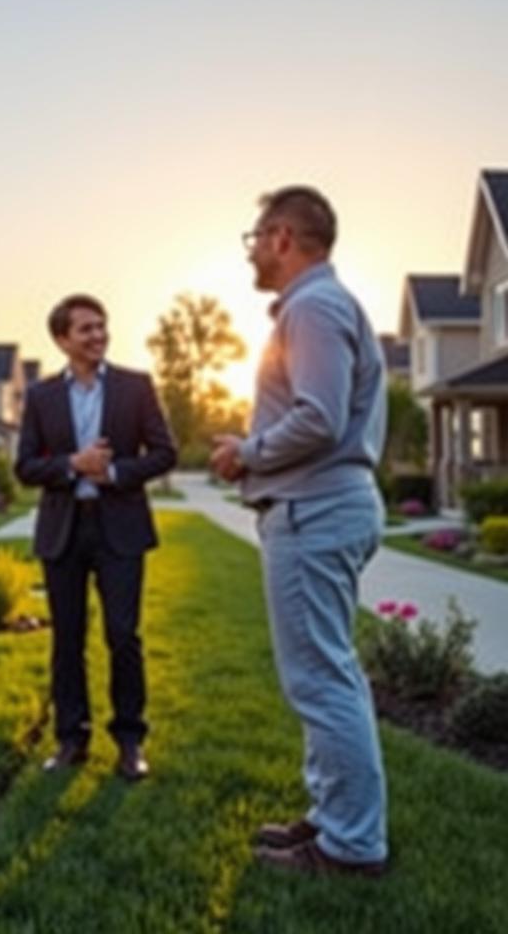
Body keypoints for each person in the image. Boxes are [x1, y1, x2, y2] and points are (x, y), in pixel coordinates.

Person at [210, 186, 389, 876]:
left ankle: (350, 846)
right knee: (322, 674)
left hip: (314, 510)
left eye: (255, 236)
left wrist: (246, 454)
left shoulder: (313, 307)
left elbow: (318, 416)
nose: (251, 249)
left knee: (321, 679)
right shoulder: (320, 307)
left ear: (283, 236)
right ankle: (330, 819)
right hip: (322, 506)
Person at [15, 294, 176, 780]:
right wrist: (72, 465)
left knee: (123, 635)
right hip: (63, 529)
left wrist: (117, 472)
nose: (98, 336)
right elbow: (24, 467)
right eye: (85, 329)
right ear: (63, 340)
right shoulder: (41, 396)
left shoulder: (136, 387)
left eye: (101, 326)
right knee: (67, 639)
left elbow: (165, 452)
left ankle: (130, 742)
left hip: (120, 528)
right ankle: (71, 740)